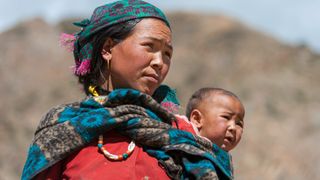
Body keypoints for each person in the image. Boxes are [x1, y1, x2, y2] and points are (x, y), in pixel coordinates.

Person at [22, 1, 234, 180]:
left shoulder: (181, 134)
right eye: (149, 46)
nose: (160, 62)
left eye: (167, 54)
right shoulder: (62, 126)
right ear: (107, 48)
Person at [185, 87, 245, 152]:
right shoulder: (182, 153)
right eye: (226, 117)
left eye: (239, 124)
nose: (233, 128)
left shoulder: (221, 159)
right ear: (197, 119)